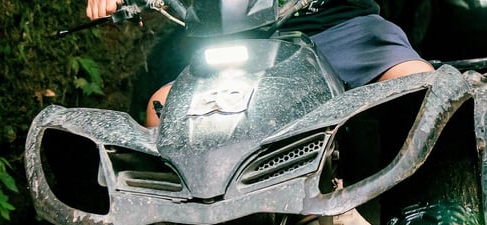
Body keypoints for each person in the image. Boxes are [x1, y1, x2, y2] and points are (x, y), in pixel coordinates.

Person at [84, 0, 435, 127]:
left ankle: (428, 223)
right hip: (251, 47)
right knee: (161, 109)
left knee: (420, 86)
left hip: (343, 29)